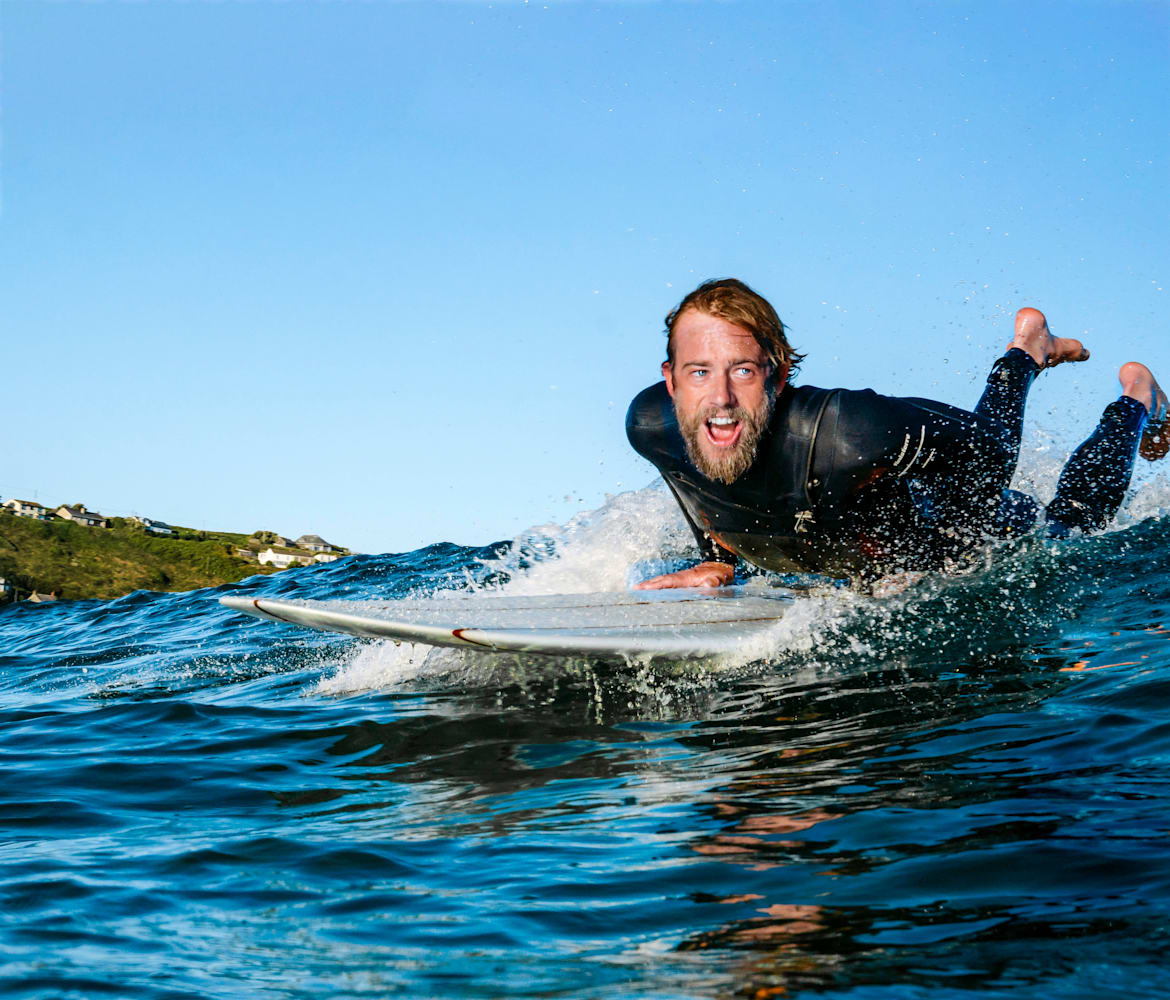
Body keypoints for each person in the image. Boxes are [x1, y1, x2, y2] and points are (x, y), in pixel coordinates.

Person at [626, 278, 1168, 590]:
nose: (719, 397)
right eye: (699, 372)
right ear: (670, 380)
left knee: (1070, 528)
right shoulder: (653, 427)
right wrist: (721, 558)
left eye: (742, 370)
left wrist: (947, 553)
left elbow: (994, 449)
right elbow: (692, 481)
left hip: (967, 527)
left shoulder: (850, 433)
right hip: (854, 551)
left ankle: (1130, 398)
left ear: (778, 373)